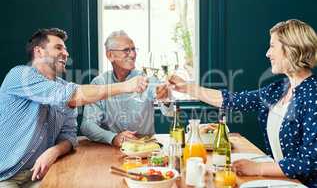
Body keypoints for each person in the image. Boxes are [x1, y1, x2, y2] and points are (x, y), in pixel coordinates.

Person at [168, 19, 317, 187]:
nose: (268, 53)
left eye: (273, 46)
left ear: (291, 49)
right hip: (284, 182)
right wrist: (187, 88)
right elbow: (233, 100)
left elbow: (310, 162)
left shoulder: (313, 96)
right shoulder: (279, 89)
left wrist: (258, 168)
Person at [0, 28, 148, 187]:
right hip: (7, 176)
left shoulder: (65, 88)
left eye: (65, 48)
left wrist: (53, 152)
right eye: (58, 47)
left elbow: (69, 137)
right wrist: (125, 86)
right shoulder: (20, 76)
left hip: (42, 173)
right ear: (39, 51)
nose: (66, 53)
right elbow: (73, 95)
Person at [81, 30, 171, 147]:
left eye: (133, 49)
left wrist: (165, 99)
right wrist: (113, 138)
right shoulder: (99, 83)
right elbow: (87, 125)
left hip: (146, 148)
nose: (133, 54)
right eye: (126, 50)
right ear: (110, 55)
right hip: (111, 150)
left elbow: (170, 112)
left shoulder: (147, 78)